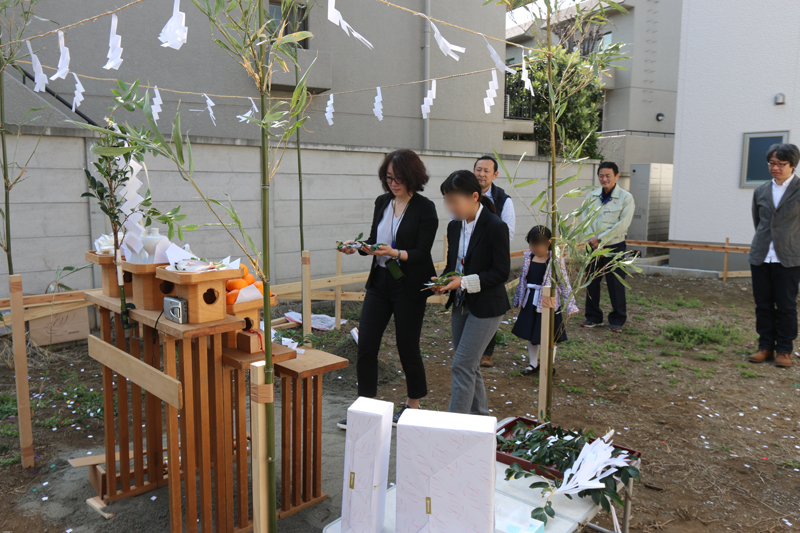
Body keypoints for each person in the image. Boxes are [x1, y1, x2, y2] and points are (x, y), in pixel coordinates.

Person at [336, 149, 439, 428]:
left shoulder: (425, 208)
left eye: (399, 179)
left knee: (408, 346)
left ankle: (413, 406)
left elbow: (421, 252)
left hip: (409, 284)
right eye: (389, 178)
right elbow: (373, 240)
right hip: (380, 282)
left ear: (413, 177)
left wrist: (395, 253)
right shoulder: (382, 201)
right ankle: (365, 408)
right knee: (367, 345)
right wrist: (357, 248)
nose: (393, 184)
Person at [431, 170, 511, 415]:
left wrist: (462, 282)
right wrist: (442, 280)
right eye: (447, 201)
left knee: (462, 365)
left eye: (455, 201)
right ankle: (480, 419)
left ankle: (455, 427)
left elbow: (500, 273)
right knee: (469, 365)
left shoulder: (496, 227)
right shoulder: (455, 227)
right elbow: (453, 265)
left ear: (474, 196)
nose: (450, 207)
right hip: (461, 304)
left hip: (487, 307)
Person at [748, 143, 800, 368]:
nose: (775, 168)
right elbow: (758, 221)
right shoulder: (760, 190)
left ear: (793, 165)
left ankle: (785, 350)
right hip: (761, 256)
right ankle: (765, 346)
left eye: (781, 164)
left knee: (786, 305)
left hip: (788, 257)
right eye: (771, 163)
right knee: (763, 304)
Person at [511, 225, 579, 375]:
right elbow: (523, 280)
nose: (534, 248)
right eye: (532, 244)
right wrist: (518, 299)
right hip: (530, 301)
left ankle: (547, 365)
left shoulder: (555, 261)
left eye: (538, 245)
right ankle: (533, 364)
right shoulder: (528, 257)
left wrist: (570, 305)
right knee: (532, 335)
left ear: (548, 243)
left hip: (547, 303)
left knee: (549, 336)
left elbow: (564, 282)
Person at [580, 162, 634, 332]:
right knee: (591, 283)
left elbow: (622, 224)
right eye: (601, 176)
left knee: (615, 284)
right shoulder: (591, 196)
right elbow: (585, 219)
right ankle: (593, 317)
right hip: (592, 247)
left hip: (613, 246)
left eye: (608, 176)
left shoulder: (626, 198)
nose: (604, 179)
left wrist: (601, 240)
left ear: (617, 176)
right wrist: (592, 240)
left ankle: (617, 320)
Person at [473, 155, 516, 368]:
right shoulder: (466, 194)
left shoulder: (503, 200)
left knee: (489, 302)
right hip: (469, 257)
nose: (481, 174)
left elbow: (507, 232)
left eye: (486, 171)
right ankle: (471, 345)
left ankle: (487, 352)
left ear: (495, 175)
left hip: (492, 260)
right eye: (478, 169)